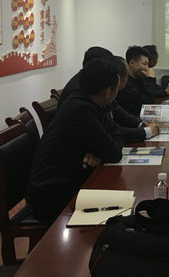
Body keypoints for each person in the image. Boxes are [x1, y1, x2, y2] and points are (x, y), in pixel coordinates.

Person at [27, 58, 124, 224]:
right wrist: (103, 149)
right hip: (52, 197)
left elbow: (116, 133)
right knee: (122, 212)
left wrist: (98, 150)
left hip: (70, 181)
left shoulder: (92, 102)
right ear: (108, 91)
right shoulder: (80, 109)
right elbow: (114, 153)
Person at [115, 46, 155, 116]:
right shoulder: (124, 82)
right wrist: (150, 79)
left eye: (147, 65)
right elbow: (147, 102)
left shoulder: (139, 77)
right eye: (144, 64)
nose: (147, 68)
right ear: (132, 63)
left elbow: (149, 96)